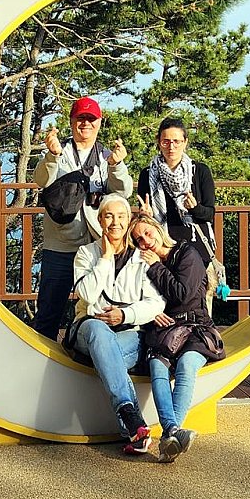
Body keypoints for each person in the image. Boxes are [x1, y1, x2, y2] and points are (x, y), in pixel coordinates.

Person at [69, 194, 164, 455]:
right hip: (88, 329)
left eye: (121, 216)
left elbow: (155, 303)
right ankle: (130, 415)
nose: (115, 222)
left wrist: (125, 315)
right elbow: (87, 294)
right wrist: (105, 258)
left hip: (128, 333)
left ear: (128, 220)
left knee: (107, 354)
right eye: (109, 216)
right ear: (100, 220)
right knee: (98, 331)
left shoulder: (141, 257)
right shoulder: (86, 254)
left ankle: (134, 427)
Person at [30, 96, 131, 339]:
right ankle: (42, 358)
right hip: (60, 245)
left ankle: (89, 355)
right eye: (80, 118)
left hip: (96, 245)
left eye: (91, 119)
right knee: (49, 313)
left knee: (97, 310)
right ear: (71, 121)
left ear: (99, 123)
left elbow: (123, 193)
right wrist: (51, 156)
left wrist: (116, 166)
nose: (85, 123)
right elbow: (41, 180)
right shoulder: (59, 151)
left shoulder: (106, 156)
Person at [134, 212, 218, 463]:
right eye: (138, 240)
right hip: (164, 330)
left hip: (195, 327)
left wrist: (156, 267)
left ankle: (169, 434)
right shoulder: (141, 264)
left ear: (158, 229)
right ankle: (172, 432)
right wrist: (151, 313)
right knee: (157, 366)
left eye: (147, 233)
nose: (145, 241)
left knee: (187, 365)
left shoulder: (186, 253)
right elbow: (138, 297)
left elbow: (182, 294)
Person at [138, 117, 215, 248]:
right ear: (159, 142)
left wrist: (195, 208)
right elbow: (145, 216)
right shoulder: (147, 174)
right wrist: (145, 216)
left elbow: (209, 214)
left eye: (177, 141)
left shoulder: (200, 171)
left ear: (185, 142)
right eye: (166, 142)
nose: (171, 147)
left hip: (196, 244)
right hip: (162, 245)